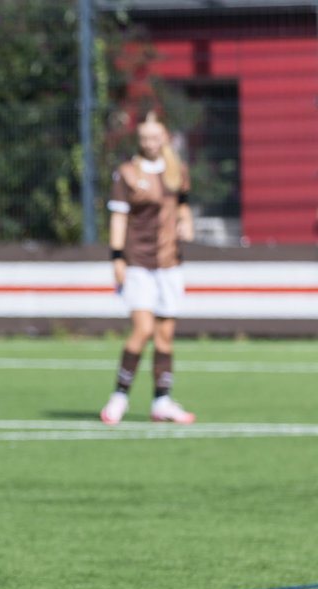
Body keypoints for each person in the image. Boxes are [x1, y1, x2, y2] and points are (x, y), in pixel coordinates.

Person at [100, 111, 195, 425]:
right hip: (138, 262)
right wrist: (117, 257)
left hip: (169, 263)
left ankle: (162, 401)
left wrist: (185, 222)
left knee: (165, 337)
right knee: (142, 330)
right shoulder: (127, 173)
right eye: (144, 138)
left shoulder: (176, 170)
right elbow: (119, 217)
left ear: (165, 138)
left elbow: (182, 204)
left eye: (155, 137)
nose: (150, 143)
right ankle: (119, 397)